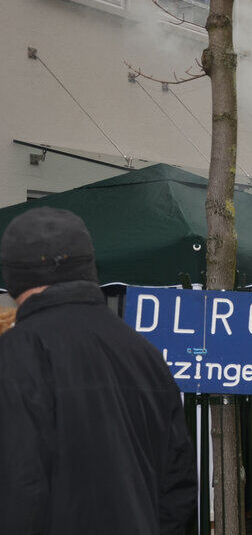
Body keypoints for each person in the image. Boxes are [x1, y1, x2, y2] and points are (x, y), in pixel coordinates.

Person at [0, 207, 196, 533]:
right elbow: (178, 487)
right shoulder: (145, 355)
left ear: (14, 275)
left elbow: (18, 487)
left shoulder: (16, 354)